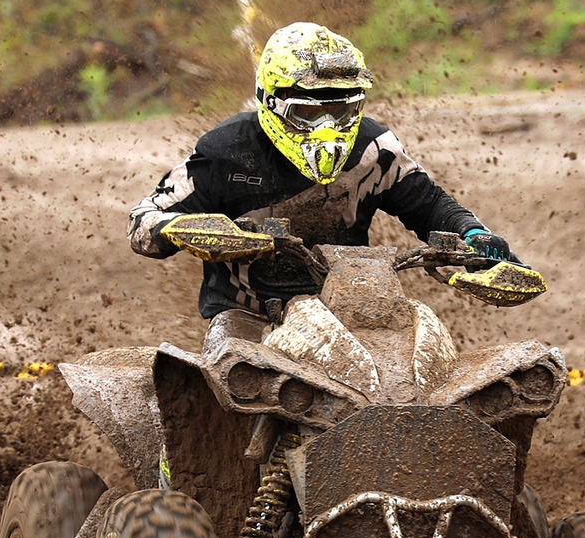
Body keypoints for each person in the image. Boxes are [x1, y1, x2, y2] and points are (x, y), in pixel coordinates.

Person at [129, 22, 525, 351]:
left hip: (351, 305)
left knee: (421, 367)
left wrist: (474, 236)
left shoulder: (374, 148)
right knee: (224, 379)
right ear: (271, 102)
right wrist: (179, 230)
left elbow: (430, 204)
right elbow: (143, 221)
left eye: (342, 110)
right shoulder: (226, 151)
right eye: (309, 112)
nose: (328, 128)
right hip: (248, 313)